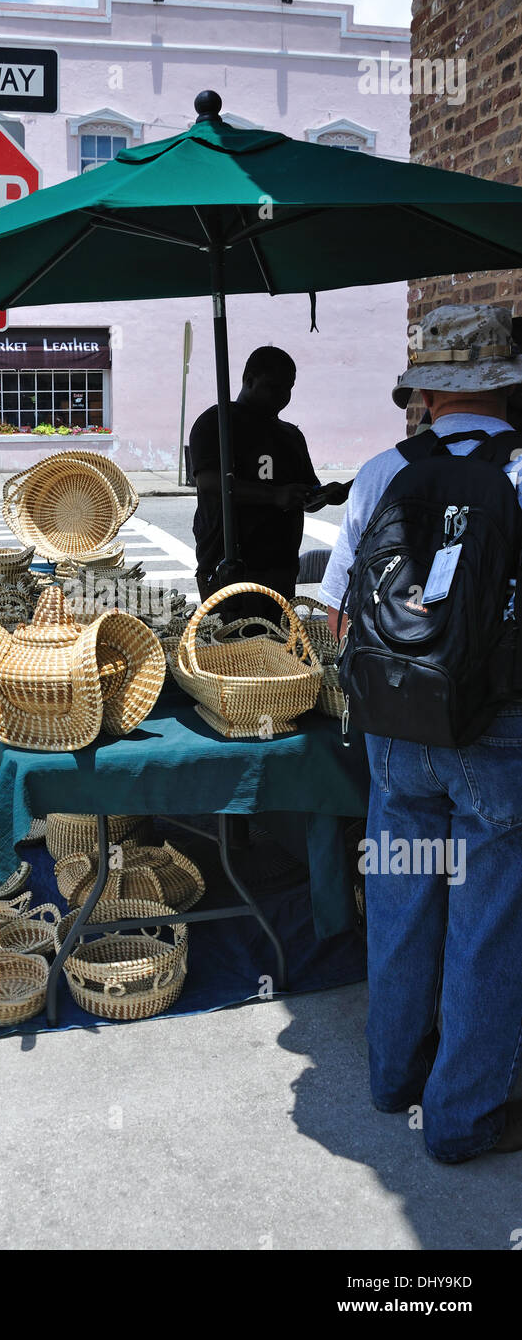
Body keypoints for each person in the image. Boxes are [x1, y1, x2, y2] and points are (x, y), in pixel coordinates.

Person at [317, 303, 522, 1163]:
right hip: (496, 730)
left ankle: (391, 1076)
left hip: (397, 732)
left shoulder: (378, 471)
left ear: (427, 391)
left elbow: (335, 617)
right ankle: (462, 1117)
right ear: (504, 383)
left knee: (401, 899)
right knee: (486, 920)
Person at [189, 346, 348, 620]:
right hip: (228, 564)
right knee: (229, 651)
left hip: (280, 567)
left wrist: (324, 495)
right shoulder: (216, 422)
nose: (281, 397)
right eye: (273, 387)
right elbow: (209, 482)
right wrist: (274, 496)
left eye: (288, 389)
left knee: (275, 649)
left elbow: (305, 496)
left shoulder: (291, 436)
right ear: (249, 380)